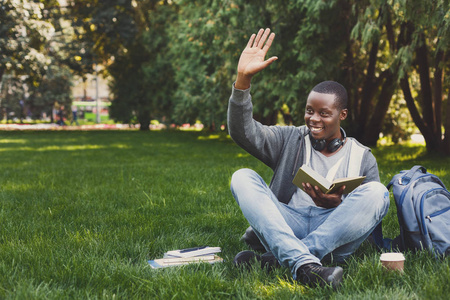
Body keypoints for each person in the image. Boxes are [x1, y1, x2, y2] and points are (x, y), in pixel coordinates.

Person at [228, 28, 390, 288]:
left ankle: (284, 258)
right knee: (241, 177)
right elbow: (243, 132)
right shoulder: (290, 139)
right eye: (309, 111)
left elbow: (366, 219)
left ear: (342, 115)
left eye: (324, 113)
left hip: (332, 234)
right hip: (287, 222)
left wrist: (337, 205)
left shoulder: (363, 156)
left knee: (378, 193)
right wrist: (242, 80)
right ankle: (306, 265)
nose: (314, 119)